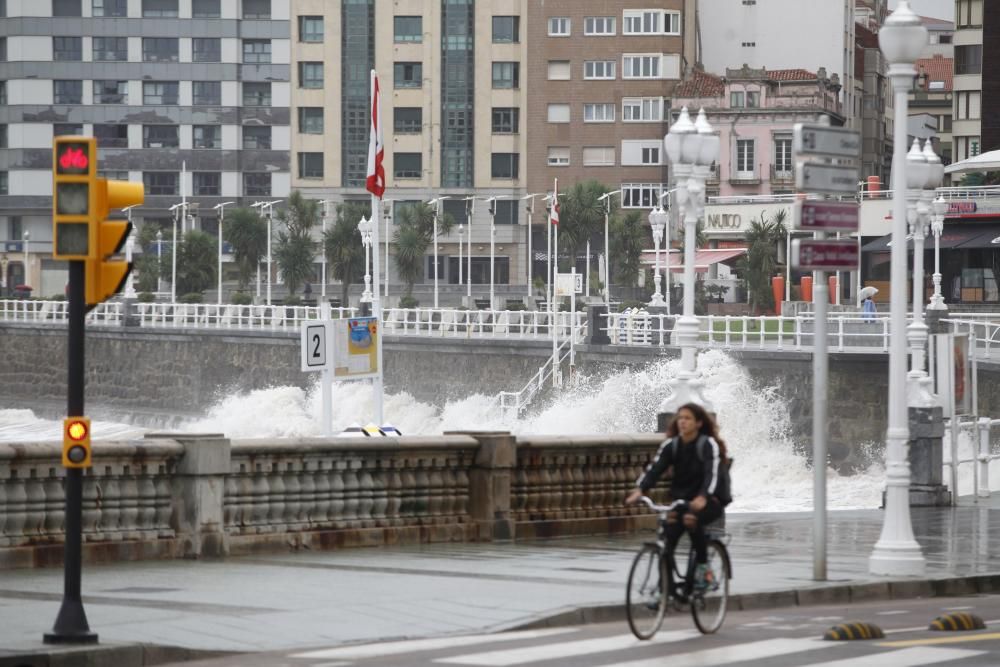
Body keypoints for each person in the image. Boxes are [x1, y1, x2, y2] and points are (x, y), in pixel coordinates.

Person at [625, 403, 727, 591]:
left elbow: (711, 474)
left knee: (691, 519)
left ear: (698, 423)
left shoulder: (707, 445)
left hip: (711, 500)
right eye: (680, 418)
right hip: (682, 500)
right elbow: (655, 468)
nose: (682, 422)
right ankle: (664, 590)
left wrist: (703, 496)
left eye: (687, 418)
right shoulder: (672, 445)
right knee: (667, 541)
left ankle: (704, 570)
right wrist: (641, 489)